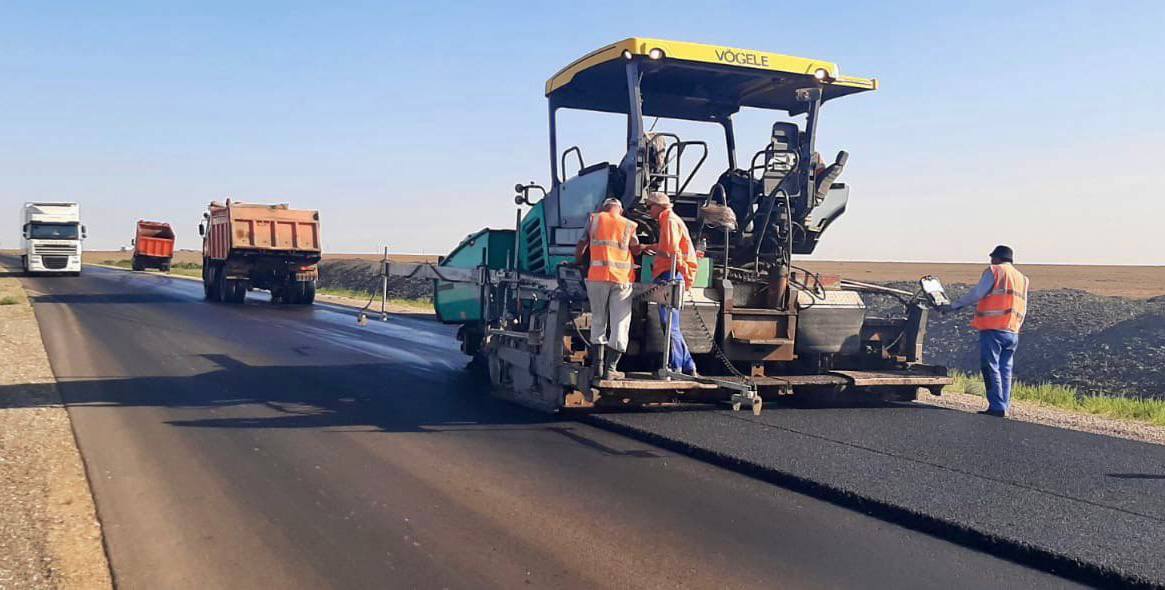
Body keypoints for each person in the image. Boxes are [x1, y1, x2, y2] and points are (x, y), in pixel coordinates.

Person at [942, 245, 1030, 417]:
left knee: (990, 367)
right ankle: (1004, 405)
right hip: (1012, 330)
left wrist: (954, 306)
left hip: (993, 328)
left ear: (997, 258)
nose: (990, 260)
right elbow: (1024, 305)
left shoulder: (995, 271)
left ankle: (996, 406)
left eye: (992, 257)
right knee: (1005, 369)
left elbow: (977, 293)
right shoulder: (1022, 278)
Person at [576, 198, 642, 379]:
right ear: (620, 210)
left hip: (597, 278)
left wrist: (577, 262)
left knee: (598, 320)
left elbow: (582, 244)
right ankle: (610, 370)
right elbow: (636, 249)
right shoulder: (629, 224)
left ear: (604, 208)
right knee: (621, 323)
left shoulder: (594, 219)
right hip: (621, 280)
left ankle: (597, 367)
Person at [639, 191, 699, 376]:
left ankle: (675, 366)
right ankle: (689, 365)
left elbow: (669, 250)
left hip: (670, 274)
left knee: (669, 323)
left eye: (650, 207)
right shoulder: (669, 220)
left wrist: (646, 247)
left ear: (659, 207)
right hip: (672, 273)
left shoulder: (669, 221)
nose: (648, 210)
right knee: (672, 324)